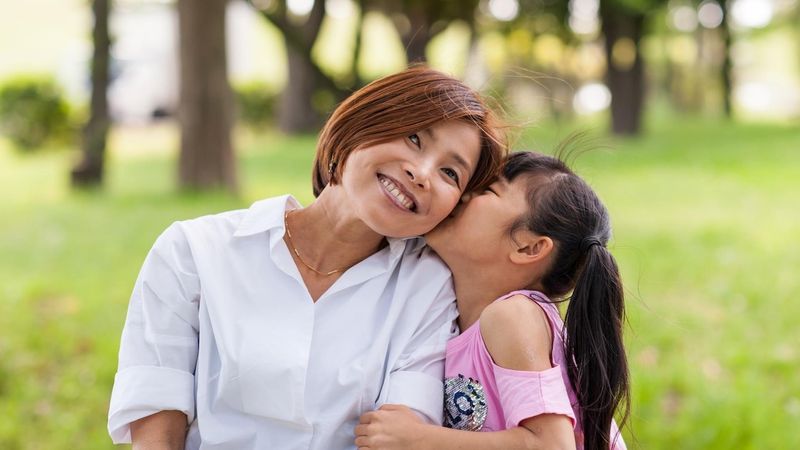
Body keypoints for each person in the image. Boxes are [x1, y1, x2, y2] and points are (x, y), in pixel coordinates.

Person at [107, 67, 506, 450]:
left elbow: (402, 434)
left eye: (450, 173)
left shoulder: (427, 288)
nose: (421, 173)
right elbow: (157, 432)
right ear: (361, 125)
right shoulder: (192, 251)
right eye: (414, 139)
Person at [355, 151, 629, 450]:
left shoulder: (512, 316)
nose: (463, 194)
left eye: (488, 190)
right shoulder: (463, 318)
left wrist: (418, 439)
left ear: (528, 247)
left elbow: (552, 445)